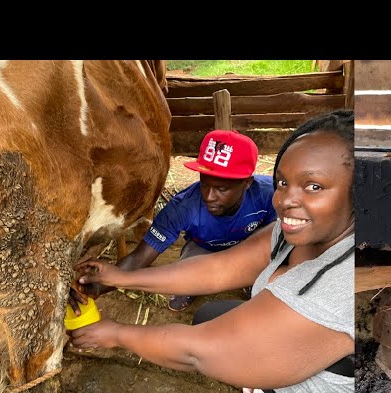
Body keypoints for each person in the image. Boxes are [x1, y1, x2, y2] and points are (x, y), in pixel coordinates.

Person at [69, 109, 355, 393]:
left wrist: (115, 334)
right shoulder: (294, 231)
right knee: (209, 314)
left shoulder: (341, 283)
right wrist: (117, 277)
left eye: (314, 186)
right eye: (284, 182)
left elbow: (196, 352)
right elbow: (218, 268)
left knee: (214, 346)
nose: (285, 200)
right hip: (288, 327)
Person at [70, 129, 277, 313]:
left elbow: (274, 238)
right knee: (186, 278)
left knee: (268, 284)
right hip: (203, 250)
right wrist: (97, 286)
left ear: (247, 183)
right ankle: (192, 284)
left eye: (222, 189)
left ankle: (249, 277)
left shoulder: (269, 194)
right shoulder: (182, 207)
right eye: (205, 184)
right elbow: (139, 258)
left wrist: (252, 262)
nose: (209, 196)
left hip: (248, 247)